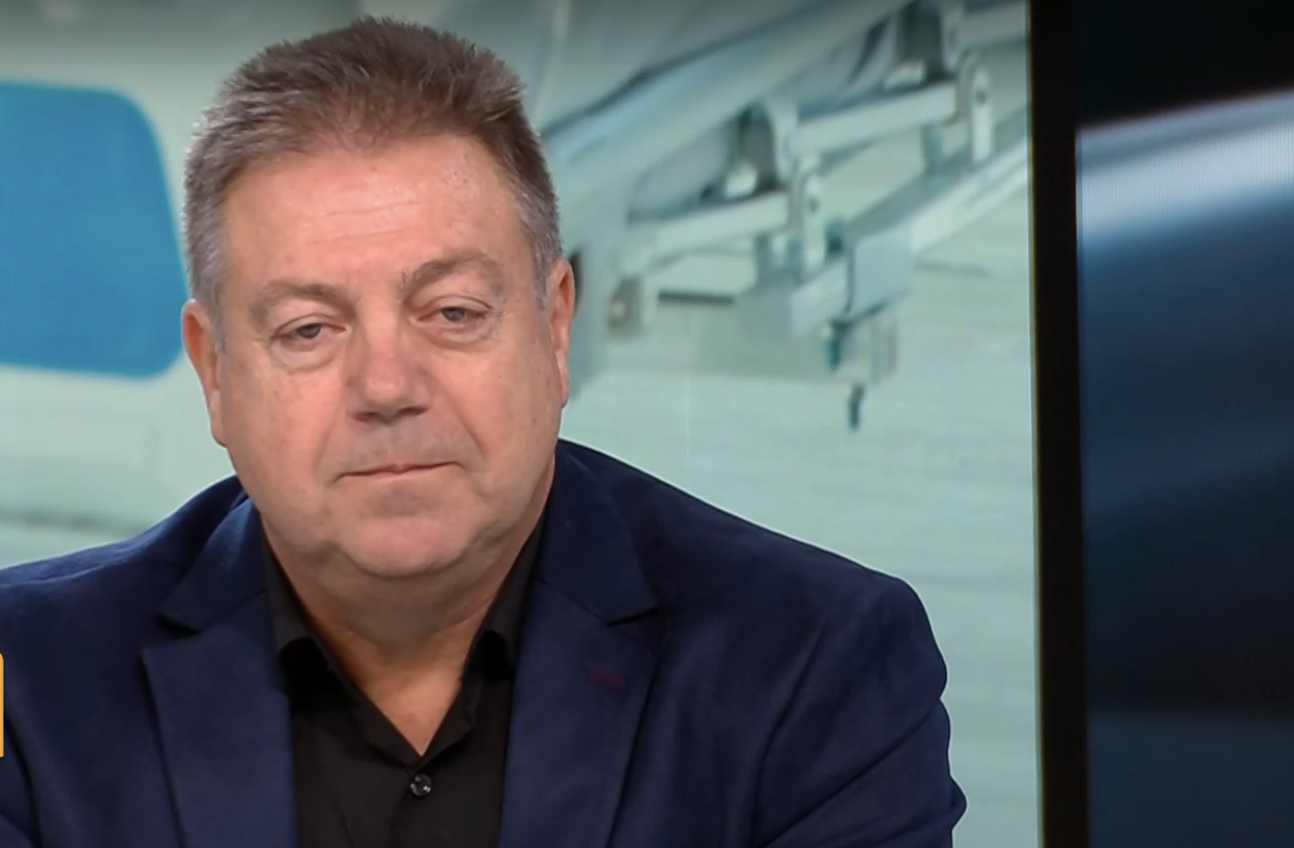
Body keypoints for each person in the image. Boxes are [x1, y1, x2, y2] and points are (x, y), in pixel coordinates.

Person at [0, 17, 965, 848]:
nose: (386, 387)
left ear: (555, 328)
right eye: (309, 330)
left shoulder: (813, 669)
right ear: (215, 372)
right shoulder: (27, 681)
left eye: (452, 313)